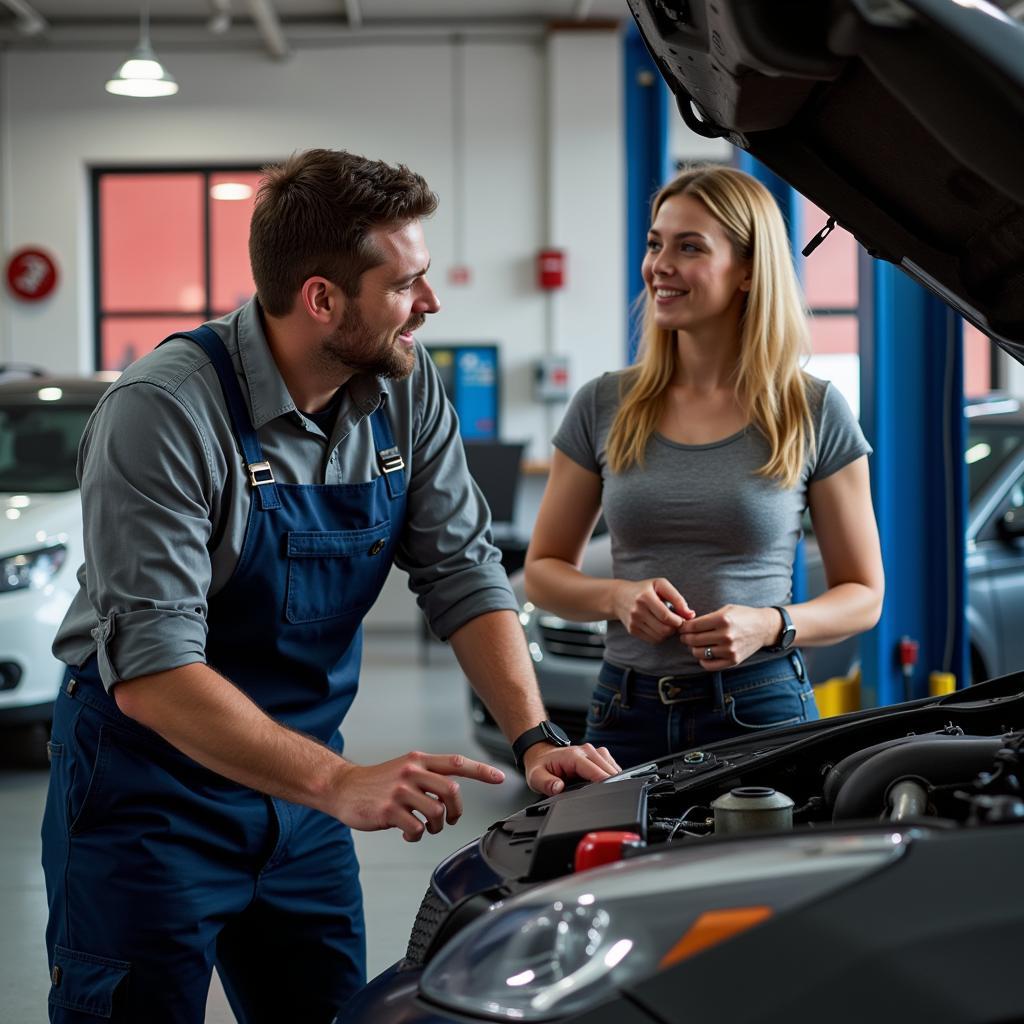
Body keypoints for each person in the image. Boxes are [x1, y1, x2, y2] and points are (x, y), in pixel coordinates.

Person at [41, 149, 618, 1024]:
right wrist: (337, 783)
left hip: (303, 798)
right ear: (321, 299)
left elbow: (461, 570)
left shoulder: (403, 387)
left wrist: (535, 737)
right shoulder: (163, 412)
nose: (430, 304)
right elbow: (154, 671)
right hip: (149, 801)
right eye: (408, 284)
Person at [524, 165, 884, 769]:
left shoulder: (812, 408)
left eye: (689, 247)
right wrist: (616, 597)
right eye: (655, 244)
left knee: (754, 867)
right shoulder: (604, 404)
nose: (659, 264)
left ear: (747, 271)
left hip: (759, 704)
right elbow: (542, 573)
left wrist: (770, 623)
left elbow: (864, 597)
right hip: (624, 709)